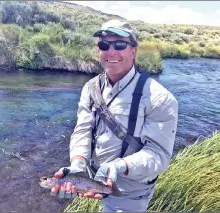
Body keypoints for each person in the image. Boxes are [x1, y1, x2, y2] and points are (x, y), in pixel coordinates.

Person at [51, 19, 178, 212]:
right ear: (98, 50)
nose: (111, 51)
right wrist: (78, 164)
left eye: (119, 44)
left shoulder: (160, 98)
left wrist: (120, 166)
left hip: (130, 192)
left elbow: (158, 155)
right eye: (104, 44)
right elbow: (83, 130)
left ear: (133, 51)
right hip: (92, 179)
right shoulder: (91, 88)